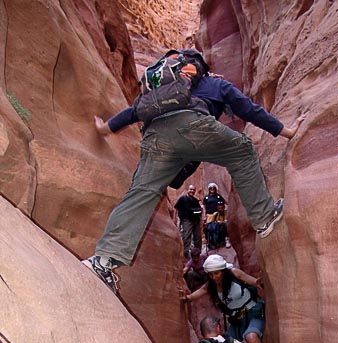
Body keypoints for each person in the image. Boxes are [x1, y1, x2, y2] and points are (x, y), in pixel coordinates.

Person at [83, 47, 306, 293]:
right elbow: (249, 110)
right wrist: (286, 131)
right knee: (242, 151)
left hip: (156, 137)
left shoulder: (161, 90)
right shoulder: (215, 84)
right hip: (197, 128)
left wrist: (106, 128)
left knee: (141, 193)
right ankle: (264, 218)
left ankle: (103, 260)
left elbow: (135, 110)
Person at [180, 254, 279, 343]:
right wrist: (187, 297)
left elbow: (253, 281)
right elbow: (199, 292)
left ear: (223, 270)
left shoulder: (234, 274)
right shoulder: (212, 285)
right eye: (211, 274)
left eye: (217, 273)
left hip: (253, 313)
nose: (215, 277)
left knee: (250, 336)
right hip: (237, 321)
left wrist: (260, 282)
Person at [174, 185, 203, 258]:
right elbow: (176, 208)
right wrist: (174, 218)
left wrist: (201, 221)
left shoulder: (195, 200)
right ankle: (185, 254)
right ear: (187, 190)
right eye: (191, 189)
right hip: (186, 220)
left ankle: (197, 253)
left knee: (198, 237)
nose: (192, 191)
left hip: (196, 221)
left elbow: (199, 210)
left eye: (193, 190)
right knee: (186, 236)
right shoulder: (182, 199)